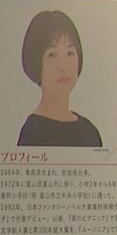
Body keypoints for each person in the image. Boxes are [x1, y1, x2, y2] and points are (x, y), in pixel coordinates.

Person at [16, 10, 102, 147]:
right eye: (52, 55)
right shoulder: (32, 133)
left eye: (70, 53)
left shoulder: (89, 132)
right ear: (35, 61)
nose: (64, 66)